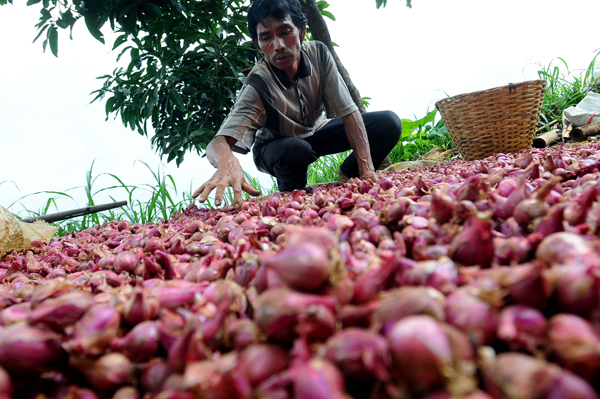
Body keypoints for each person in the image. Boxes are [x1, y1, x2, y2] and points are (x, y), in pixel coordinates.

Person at [192, 0, 401, 209]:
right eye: (266, 38)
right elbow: (218, 142)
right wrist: (227, 161)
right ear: (257, 45)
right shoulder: (257, 84)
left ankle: (349, 175)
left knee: (388, 123)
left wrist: (366, 170)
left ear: (301, 31)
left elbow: (349, 112)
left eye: (285, 32)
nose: (279, 45)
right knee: (294, 149)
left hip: (317, 130)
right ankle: (292, 197)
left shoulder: (318, 53)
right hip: (278, 146)